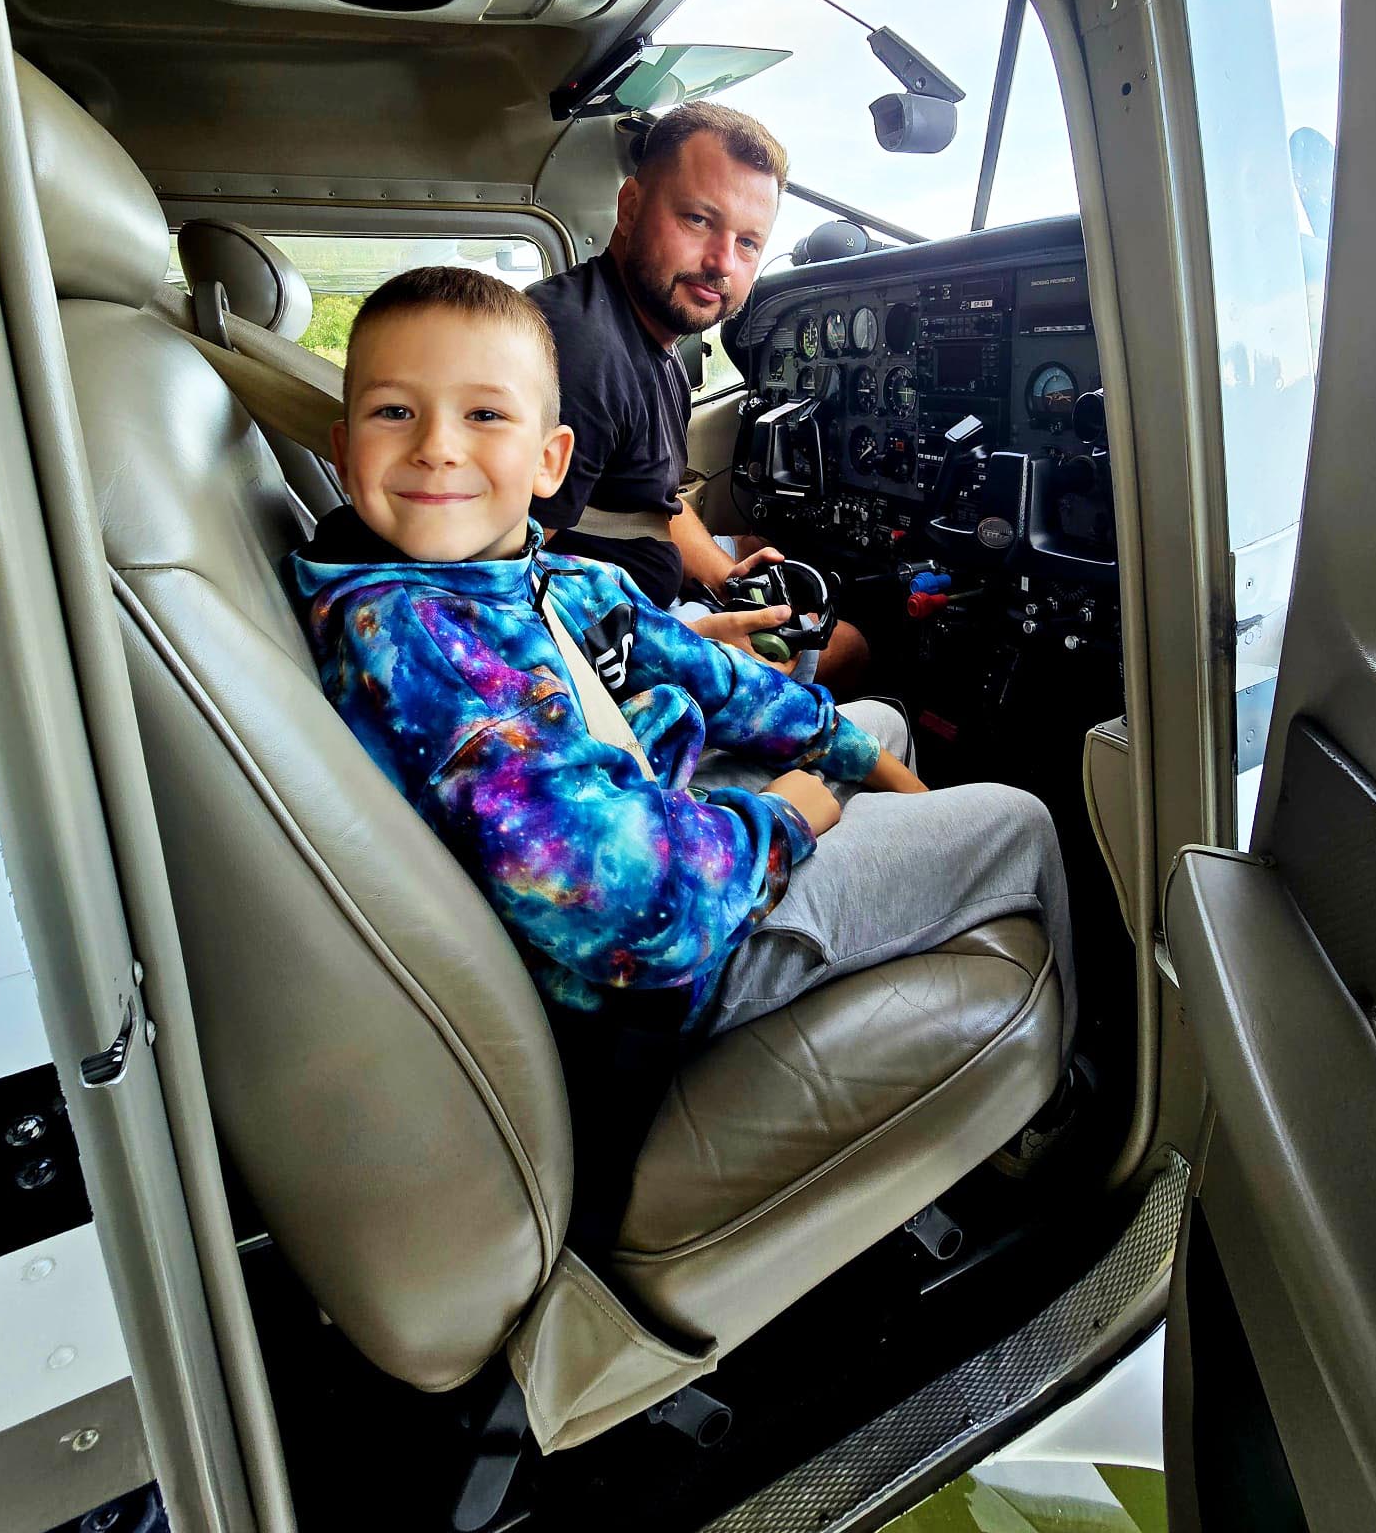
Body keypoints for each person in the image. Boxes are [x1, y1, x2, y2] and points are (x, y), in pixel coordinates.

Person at [288, 265, 1077, 1235]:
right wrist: (787, 818)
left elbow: (710, 676)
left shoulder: (532, 573)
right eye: (395, 412)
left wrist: (852, 758)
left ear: (551, 459)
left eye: (483, 414)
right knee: (1020, 821)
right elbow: (644, 908)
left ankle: (918, 931)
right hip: (638, 981)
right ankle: (1055, 1114)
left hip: (658, 834)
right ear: (343, 448)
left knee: (874, 724)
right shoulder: (423, 647)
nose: (438, 446)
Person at [526, 100, 870, 692]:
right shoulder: (581, 354)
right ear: (630, 208)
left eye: (748, 243)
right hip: (611, 654)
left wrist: (729, 579)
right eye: (697, 220)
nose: (721, 263)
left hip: (635, 608)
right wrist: (695, 644)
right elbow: (492, 594)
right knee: (849, 646)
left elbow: (648, 505)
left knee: (760, 548)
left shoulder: (646, 340)